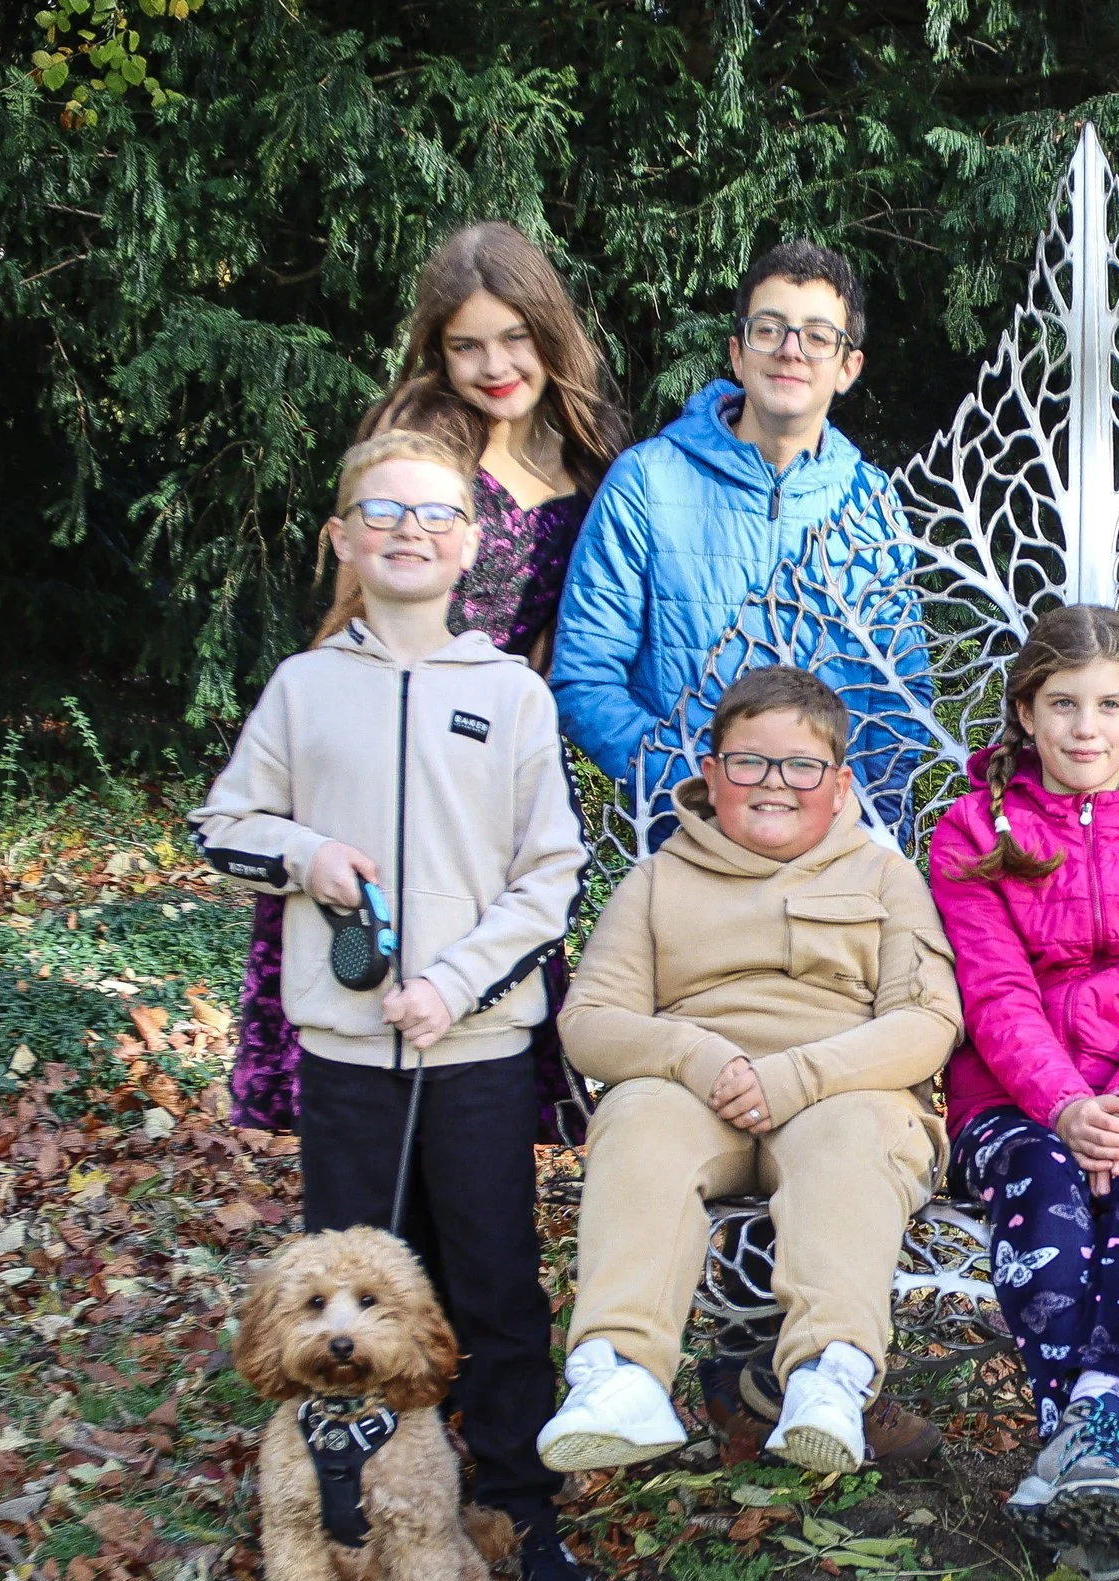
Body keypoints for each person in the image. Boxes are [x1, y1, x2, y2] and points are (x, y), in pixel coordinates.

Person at [192, 430, 593, 1581]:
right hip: (347, 1049)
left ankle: (519, 1504)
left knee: (493, 1281)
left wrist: (456, 981)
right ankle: (350, 1504)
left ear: (470, 546)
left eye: (433, 516)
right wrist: (307, 855)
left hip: (474, 1050)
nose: (408, 533)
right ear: (342, 538)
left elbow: (551, 875)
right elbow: (225, 824)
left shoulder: (510, 694)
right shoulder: (303, 686)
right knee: (353, 1292)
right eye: (382, 513)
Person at [230, 223, 625, 1147]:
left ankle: (472, 1180)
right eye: (466, 345)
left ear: (549, 330)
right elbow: (369, 578)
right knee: (381, 970)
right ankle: (372, 1184)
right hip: (399, 726)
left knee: (488, 972)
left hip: (500, 740)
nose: (495, 365)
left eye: (515, 337)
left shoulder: (594, 448)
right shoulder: (426, 434)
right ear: (437, 351)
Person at [533, 666, 962, 1479]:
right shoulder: (659, 879)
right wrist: (695, 1056)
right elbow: (590, 1019)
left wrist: (798, 1076)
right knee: (638, 1119)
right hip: (696, 1094)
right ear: (711, 772)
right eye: (749, 762)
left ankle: (829, 1377)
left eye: (801, 765)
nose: (774, 783)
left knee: (853, 1138)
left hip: (842, 1091)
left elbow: (927, 1021)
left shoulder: (882, 876)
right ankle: (619, 1375)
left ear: (840, 784)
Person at [927, 606, 1119, 1581]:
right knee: (1046, 1196)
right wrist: (1064, 1106)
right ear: (1025, 712)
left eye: (1107, 705)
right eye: (1062, 704)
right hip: (1012, 1100)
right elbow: (995, 995)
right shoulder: (974, 832)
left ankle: (1077, 1451)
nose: (1085, 727)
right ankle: (1105, 1458)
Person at [551, 240, 920, 811]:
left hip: (833, 842)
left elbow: (901, 695)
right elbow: (585, 680)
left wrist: (865, 821)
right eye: (769, 329)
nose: (791, 350)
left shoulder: (872, 504)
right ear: (737, 353)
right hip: (689, 835)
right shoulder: (647, 483)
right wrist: (698, 790)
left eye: (818, 336)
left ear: (848, 367)